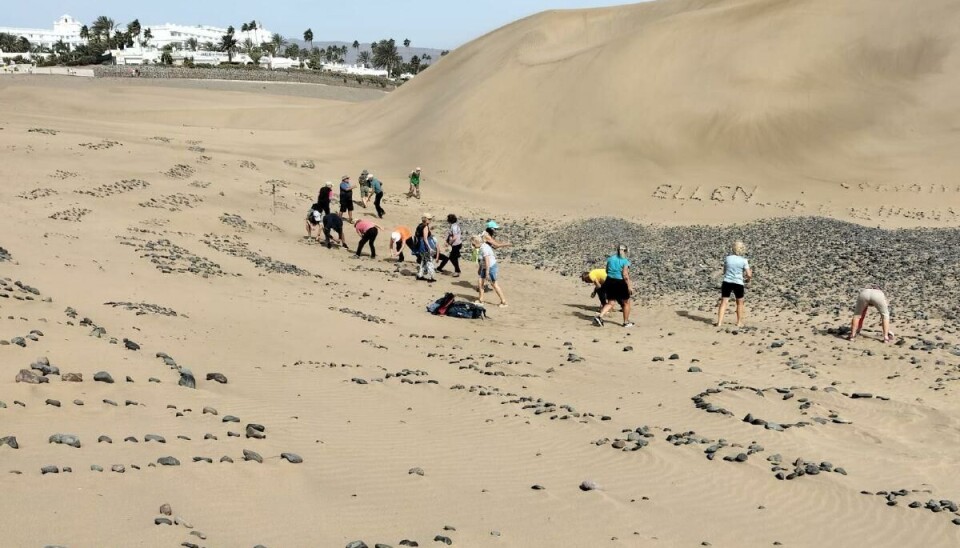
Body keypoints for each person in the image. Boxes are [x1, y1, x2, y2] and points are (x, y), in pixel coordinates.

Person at [594, 245, 633, 327]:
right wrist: (629, 286)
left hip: (609, 280)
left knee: (611, 302)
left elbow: (607, 270)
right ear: (625, 251)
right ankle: (626, 322)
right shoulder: (625, 261)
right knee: (626, 302)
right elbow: (625, 275)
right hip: (619, 282)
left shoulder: (611, 258)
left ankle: (599, 317)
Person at [716, 240, 752, 328]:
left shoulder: (728, 258)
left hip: (727, 281)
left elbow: (724, 271)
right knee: (740, 302)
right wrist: (749, 278)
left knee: (724, 302)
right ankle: (739, 322)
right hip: (738, 283)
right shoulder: (744, 260)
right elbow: (748, 274)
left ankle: (719, 322)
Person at [472, 234, 507, 307]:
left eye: (473, 244)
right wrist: (480, 268)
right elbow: (482, 260)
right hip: (485, 267)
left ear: (477, 242)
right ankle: (481, 300)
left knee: (494, 284)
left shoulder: (484, 249)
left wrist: (487, 272)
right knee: (480, 282)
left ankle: (503, 302)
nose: (473, 246)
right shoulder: (482, 246)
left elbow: (487, 261)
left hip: (490, 267)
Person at [414, 213, 436, 282]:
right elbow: (425, 238)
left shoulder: (420, 225)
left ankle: (420, 275)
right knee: (429, 260)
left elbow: (419, 235)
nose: (430, 220)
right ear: (426, 219)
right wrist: (429, 248)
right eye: (429, 219)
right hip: (424, 246)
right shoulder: (425, 227)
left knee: (423, 260)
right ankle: (431, 277)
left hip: (420, 245)